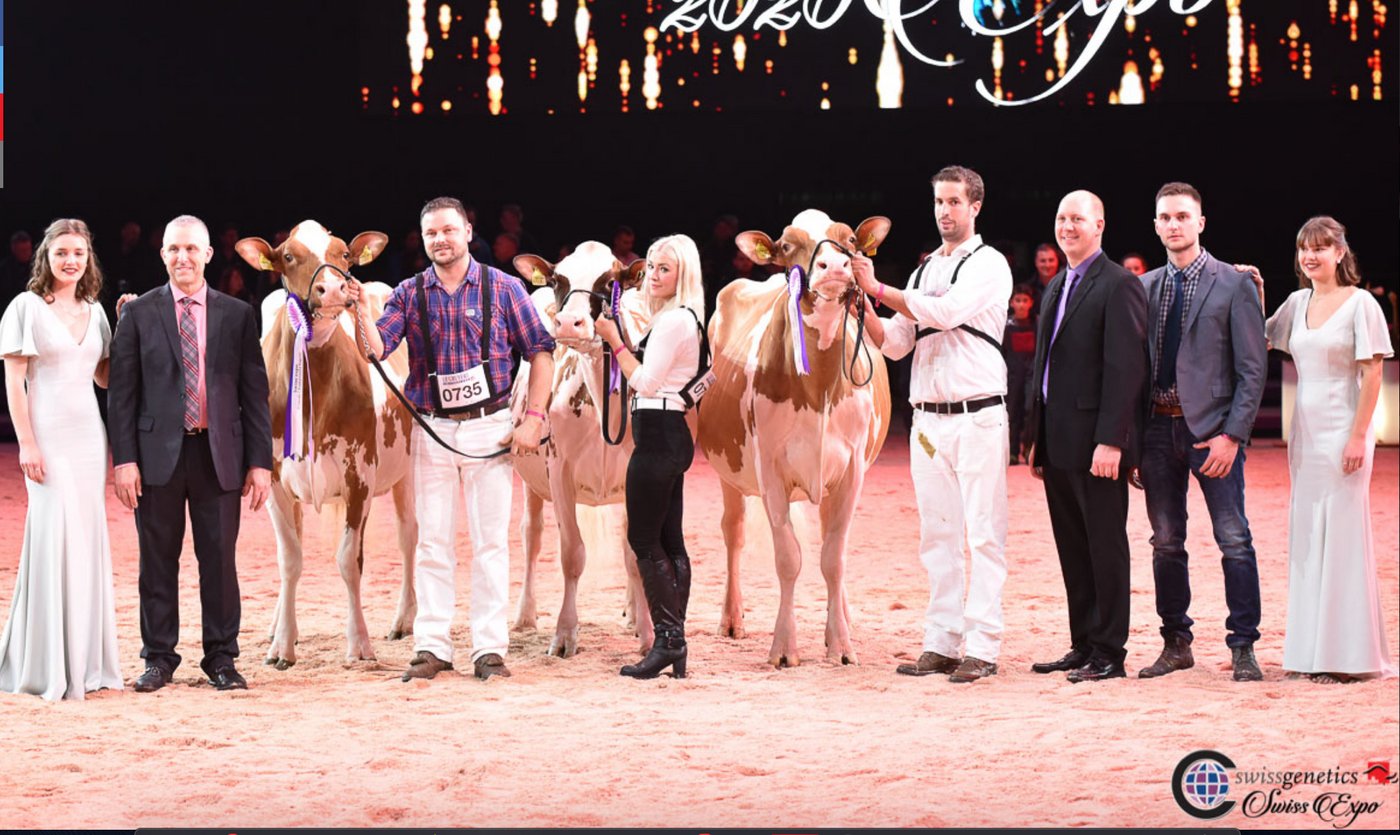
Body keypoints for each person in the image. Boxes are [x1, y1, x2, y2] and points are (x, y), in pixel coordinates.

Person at [349, 196, 555, 683]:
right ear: (424, 241)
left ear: (467, 232)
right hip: (434, 427)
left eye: (448, 230)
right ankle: (433, 646)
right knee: (432, 542)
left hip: (490, 425)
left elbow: (542, 351)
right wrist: (359, 308)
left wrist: (535, 417)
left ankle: (488, 649)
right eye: (430, 234)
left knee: (489, 544)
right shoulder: (409, 293)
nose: (440, 240)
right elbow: (376, 349)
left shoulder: (505, 289)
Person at [852, 165, 1013, 683]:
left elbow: (945, 314)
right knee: (937, 535)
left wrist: (876, 287)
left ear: (975, 207)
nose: (945, 211)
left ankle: (983, 645)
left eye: (954, 202)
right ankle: (942, 642)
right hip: (928, 419)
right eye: (939, 202)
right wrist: (861, 305)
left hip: (978, 414)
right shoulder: (923, 270)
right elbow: (897, 344)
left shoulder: (990, 264)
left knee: (985, 534)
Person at [108, 214, 273, 694]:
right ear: (162, 255)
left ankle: (222, 658)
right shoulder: (138, 313)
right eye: (173, 249)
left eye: (191, 249)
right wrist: (124, 460)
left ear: (207, 254)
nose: (182, 257)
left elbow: (253, 394)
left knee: (219, 561)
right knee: (156, 561)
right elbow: (122, 395)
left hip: (218, 453)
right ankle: (158, 658)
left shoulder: (237, 314)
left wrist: (260, 463)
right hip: (155, 455)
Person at [1135, 182, 1267, 682]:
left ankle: (1244, 646)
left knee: (1234, 539)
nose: (1174, 224)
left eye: (1182, 216)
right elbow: (1134, 372)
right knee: (1165, 541)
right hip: (1155, 432)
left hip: (1212, 435)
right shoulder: (1143, 287)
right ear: (1155, 225)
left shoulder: (1233, 283)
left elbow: (1252, 370)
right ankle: (1176, 642)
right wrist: (1133, 442)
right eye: (1165, 217)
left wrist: (1232, 436)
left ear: (1200, 223)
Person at [1255, 216, 1395, 682]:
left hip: (1345, 430)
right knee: (1309, 538)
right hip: (1306, 433)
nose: (1310, 256)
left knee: (1343, 535)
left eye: (1320, 248)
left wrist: (1360, 435)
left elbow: (1372, 374)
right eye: (1303, 249)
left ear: (1340, 252)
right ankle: (1311, 653)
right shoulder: (1297, 302)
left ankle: (1347, 658)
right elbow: (1261, 335)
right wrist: (1253, 291)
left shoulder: (1362, 305)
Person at [0, 219, 123, 701]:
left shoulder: (95, 312)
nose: (70, 261)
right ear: (45, 259)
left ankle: (87, 665)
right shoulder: (25, 308)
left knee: (87, 536)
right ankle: (49, 664)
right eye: (61, 253)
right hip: (46, 434)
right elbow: (14, 383)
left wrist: (127, 325)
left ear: (88, 258)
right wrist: (27, 443)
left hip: (90, 438)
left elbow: (106, 379)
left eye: (78, 253)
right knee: (53, 534)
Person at [1029, 190, 1148, 683]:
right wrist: (1036, 438)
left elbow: (1126, 370)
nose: (1067, 226)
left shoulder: (1118, 284)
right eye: (1061, 218)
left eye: (1078, 218)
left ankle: (1110, 653)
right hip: (1057, 441)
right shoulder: (1057, 285)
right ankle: (1083, 643)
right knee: (1073, 547)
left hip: (1099, 444)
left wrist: (1114, 440)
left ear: (1100, 225)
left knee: (1104, 546)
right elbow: (1045, 368)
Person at [594, 234, 705, 679]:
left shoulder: (676, 320)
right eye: (652, 267)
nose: (654, 276)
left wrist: (613, 340)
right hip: (669, 433)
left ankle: (668, 640)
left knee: (643, 540)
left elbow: (644, 381)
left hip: (657, 432)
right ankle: (674, 642)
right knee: (669, 540)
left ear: (683, 276)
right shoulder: (684, 318)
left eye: (665, 269)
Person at [1003, 284, 1037, 465]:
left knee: (1030, 410)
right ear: (1011, 303)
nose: (1022, 305)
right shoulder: (1005, 325)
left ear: (1031, 303)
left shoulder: (1037, 323)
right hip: (1012, 375)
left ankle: (1029, 447)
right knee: (1012, 412)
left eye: (1025, 301)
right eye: (1018, 300)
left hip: (1032, 374)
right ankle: (1013, 451)